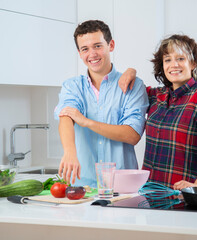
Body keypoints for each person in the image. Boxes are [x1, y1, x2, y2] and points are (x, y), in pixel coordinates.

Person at [120, 34, 197, 190]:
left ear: (193, 63)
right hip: (150, 195)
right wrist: (131, 71)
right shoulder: (156, 96)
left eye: (180, 59)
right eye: (167, 60)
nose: (173, 65)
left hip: (184, 197)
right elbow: (129, 90)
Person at [54, 20, 149, 187]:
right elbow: (66, 117)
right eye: (85, 49)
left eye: (97, 46)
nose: (92, 54)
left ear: (110, 45)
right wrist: (69, 152)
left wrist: (87, 122)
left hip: (122, 186)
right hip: (82, 187)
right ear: (79, 52)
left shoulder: (133, 85)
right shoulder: (72, 86)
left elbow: (132, 135)